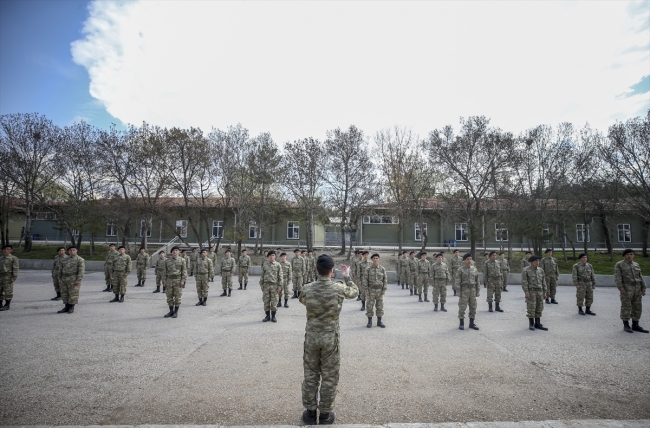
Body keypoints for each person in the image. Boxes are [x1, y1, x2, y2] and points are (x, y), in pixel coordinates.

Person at [299, 256, 358, 425]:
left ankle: (310, 413)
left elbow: (303, 300)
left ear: (317, 270)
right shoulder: (338, 288)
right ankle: (325, 414)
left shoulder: (307, 288)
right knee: (329, 376)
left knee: (311, 375)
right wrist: (347, 276)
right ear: (332, 271)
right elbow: (354, 292)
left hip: (312, 337)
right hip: (330, 338)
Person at [615, 249, 648, 333]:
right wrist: (621, 288)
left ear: (633, 255)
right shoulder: (620, 265)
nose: (629, 256)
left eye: (631, 254)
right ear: (624, 255)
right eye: (627, 254)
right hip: (627, 288)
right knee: (626, 306)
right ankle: (626, 325)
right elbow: (618, 278)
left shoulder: (636, 265)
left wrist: (643, 288)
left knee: (637, 307)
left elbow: (640, 277)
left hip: (637, 287)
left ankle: (635, 324)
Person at [454, 253, 480, 331]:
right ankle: (461, 323)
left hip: (472, 290)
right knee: (462, 307)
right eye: (467, 259)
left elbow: (477, 281)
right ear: (464, 260)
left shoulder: (474, 269)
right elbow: (457, 281)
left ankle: (471, 323)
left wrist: (478, 291)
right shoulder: (460, 269)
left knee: (473, 307)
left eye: (470, 259)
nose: (469, 261)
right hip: (464, 290)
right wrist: (458, 291)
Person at [522, 255, 548, 331]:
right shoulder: (526, 270)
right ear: (531, 262)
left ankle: (538, 323)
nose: (537, 262)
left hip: (539, 291)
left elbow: (543, 282)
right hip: (531, 291)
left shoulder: (541, 270)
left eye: (538, 261)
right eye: (535, 261)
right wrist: (526, 293)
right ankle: (531, 324)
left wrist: (544, 292)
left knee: (539, 307)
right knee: (531, 308)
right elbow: (524, 282)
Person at [55, 246, 84, 314]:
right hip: (64, 278)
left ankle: (71, 307)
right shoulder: (64, 259)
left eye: (73, 250)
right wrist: (59, 278)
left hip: (73, 278)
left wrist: (78, 279)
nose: (72, 251)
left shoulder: (79, 259)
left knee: (73, 293)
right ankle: (66, 306)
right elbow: (60, 269)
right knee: (64, 293)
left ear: (76, 251)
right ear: (68, 251)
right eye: (70, 250)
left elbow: (81, 270)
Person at [162, 246, 187, 318]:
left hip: (178, 280)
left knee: (177, 297)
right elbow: (164, 272)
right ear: (171, 252)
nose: (175, 251)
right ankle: (171, 311)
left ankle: (176, 312)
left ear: (179, 252)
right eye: (173, 250)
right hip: (169, 280)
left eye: (176, 250)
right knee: (169, 297)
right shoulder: (167, 261)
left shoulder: (182, 260)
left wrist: (183, 281)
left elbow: (184, 271)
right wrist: (164, 281)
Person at [364, 253, 387, 328]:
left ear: (379, 259)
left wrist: (384, 289)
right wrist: (366, 290)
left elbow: (385, 280)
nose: (375, 259)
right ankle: (369, 321)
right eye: (374, 258)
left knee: (380, 306)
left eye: (377, 258)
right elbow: (365, 280)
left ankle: (379, 321)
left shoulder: (382, 269)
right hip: (371, 290)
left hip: (379, 291)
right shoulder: (368, 269)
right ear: (371, 260)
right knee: (369, 306)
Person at [260, 250, 283, 322]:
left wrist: (280, 286)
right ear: (268, 257)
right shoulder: (265, 264)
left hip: (274, 286)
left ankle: (273, 316)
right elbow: (262, 275)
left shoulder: (278, 265)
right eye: (270, 255)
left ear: (275, 256)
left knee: (274, 301)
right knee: (266, 301)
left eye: (273, 255)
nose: (271, 257)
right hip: (266, 285)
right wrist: (261, 284)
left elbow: (280, 276)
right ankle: (267, 316)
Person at [0, 244, 19, 311]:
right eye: (4, 249)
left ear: (11, 250)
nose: (6, 250)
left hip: (8, 276)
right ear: (2, 250)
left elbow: (15, 268)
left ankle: (7, 305)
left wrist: (13, 277)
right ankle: (0, 304)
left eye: (8, 249)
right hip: (0, 276)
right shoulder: (1, 258)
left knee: (8, 291)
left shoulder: (14, 258)